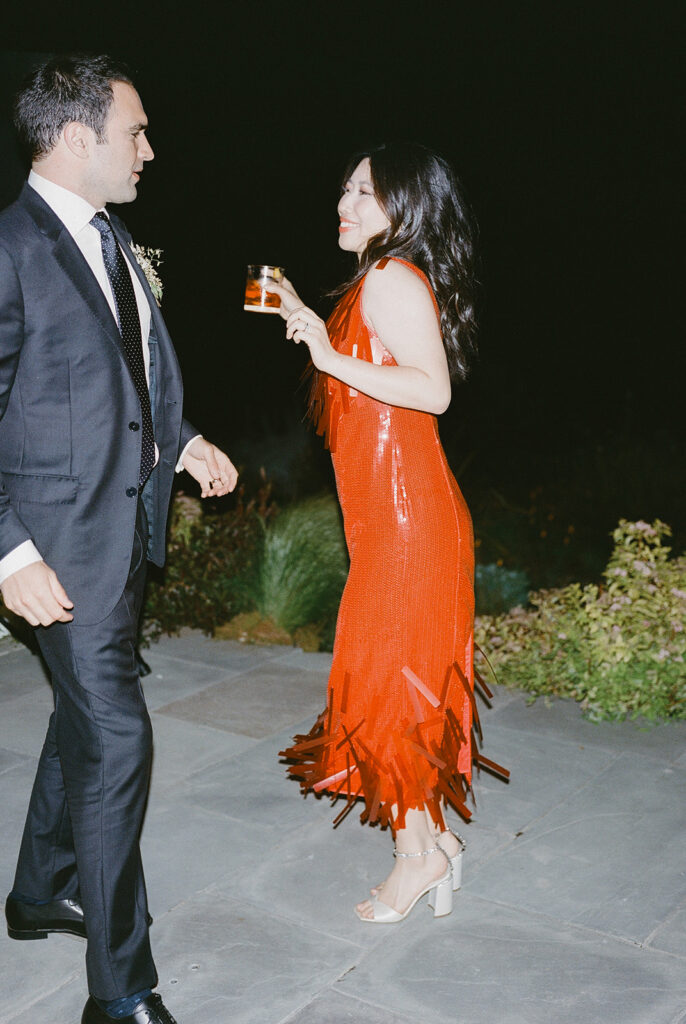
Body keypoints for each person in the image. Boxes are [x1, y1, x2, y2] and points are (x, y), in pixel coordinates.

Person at [0, 54, 237, 1023]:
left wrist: (180, 442)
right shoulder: (4, 255)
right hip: (53, 549)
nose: (150, 149)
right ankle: (122, 989)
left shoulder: (110, 239)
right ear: (76, 137)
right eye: (136, 131)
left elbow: (122, 377)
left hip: (119, 541)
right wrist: (8, 553)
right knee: (116, 737)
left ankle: (36, 892)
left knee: (85, 715)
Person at [272, 142, 507, 924]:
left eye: (365, 193)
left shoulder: (391, 277)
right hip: (392, 522)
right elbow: (368, 383)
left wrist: (331, 355)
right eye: (345, 188)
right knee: (392, 684)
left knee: (388, 692)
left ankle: (417, 862)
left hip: (411, 523)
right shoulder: (370, 283)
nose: (346, 202)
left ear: (402, 208)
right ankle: (433, 841)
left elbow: (430, 391)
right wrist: (314, 326)